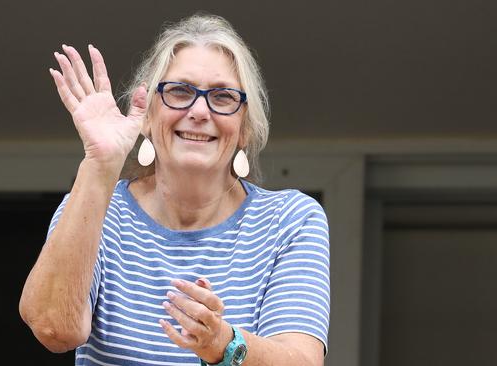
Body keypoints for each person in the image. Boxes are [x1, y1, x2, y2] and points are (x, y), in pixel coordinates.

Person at [19, 13, 330, 366]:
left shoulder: (290, 220)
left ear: (244, 127)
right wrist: (100, 165)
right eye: (180, 91)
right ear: (148, 116)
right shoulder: (94, 206)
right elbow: (53, 328)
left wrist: (223, 343)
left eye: (223, 97)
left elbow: (302, 361)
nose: (199, 111)